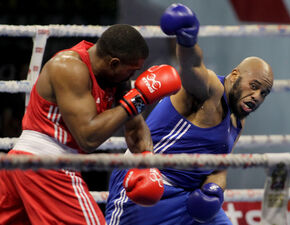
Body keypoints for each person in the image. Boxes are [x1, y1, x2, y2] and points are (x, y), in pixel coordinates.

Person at [105, 4, 274, 225]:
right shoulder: (211, 91)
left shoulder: (237, 122)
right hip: (150, 181)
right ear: (235, 75)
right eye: (254, 86)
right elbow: (192, 67)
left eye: (264, 93)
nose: (257, 96)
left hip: (190, 197)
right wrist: (187, 40)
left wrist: (213, 191)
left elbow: (219, 170)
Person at [0, 24, 181, 225]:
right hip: (46, 163)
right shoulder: (69, 67)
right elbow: (88, 137)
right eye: (131, 71)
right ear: (114, 63)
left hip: (28, 166)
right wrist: (139, 99)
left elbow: (135, 127)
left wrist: (147, 163)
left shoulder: (116, 77)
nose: (132, 77)